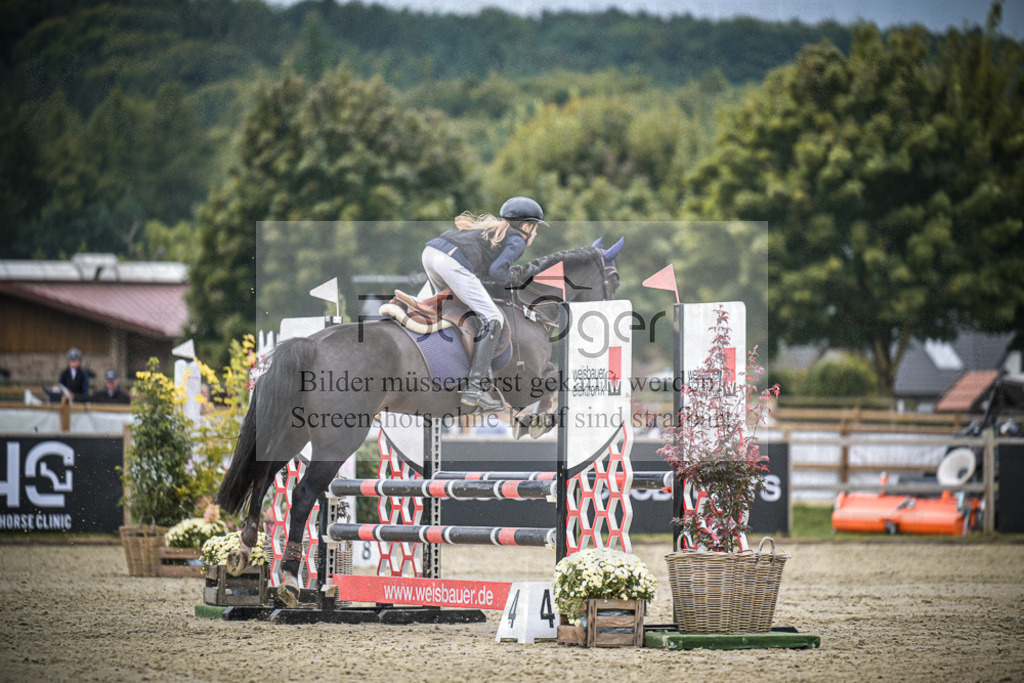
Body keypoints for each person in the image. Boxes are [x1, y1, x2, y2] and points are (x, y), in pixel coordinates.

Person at [421, 196, 547, 411]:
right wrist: (513, 281)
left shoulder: (494, 230)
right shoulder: (517, 239)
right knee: (494, 318)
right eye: (535, 228)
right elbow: (497, 272)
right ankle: (475, 388)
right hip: (451, 262)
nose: (534, 233)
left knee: (452, 308)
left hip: (431, 253)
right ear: (526, 226)